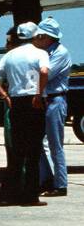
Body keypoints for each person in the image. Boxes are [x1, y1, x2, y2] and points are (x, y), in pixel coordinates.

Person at [0, 22, 51, 207]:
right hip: (34, 102)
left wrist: (5, 95)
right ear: (35, 36)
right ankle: (30, 196)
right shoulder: (40, 53)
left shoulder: (10, 55)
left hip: (16, 102)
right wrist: (39, 93)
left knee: (17, 152)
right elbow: (44, 71)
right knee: (33, 151)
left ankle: (6, 194)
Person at [36, 17, 71, 197]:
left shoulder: (60, 53)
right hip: (44, 100)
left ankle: (60, 184)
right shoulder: (43, 52)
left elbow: (46, 75)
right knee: (39, 143)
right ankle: (46, 180)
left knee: (55, 144)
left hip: (55, 100)